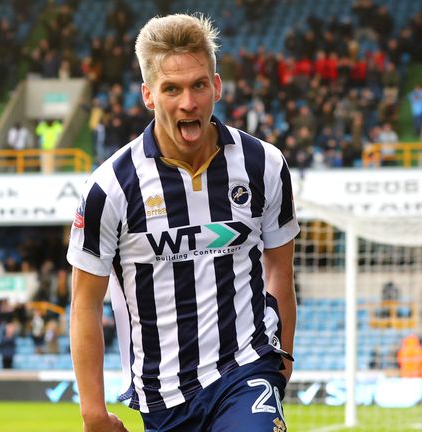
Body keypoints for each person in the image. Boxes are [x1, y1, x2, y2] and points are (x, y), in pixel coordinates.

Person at [67, 14, 299, 432]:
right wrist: (93, 411)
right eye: (171, 89)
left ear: (217, 86)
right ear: (148, 96)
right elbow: (84, 303)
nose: (188, 103)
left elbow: (279, 269)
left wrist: (282, 358)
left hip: (245, 371)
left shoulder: (263, 163)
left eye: (198, 85)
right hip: (163, 396)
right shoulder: (111, 187)